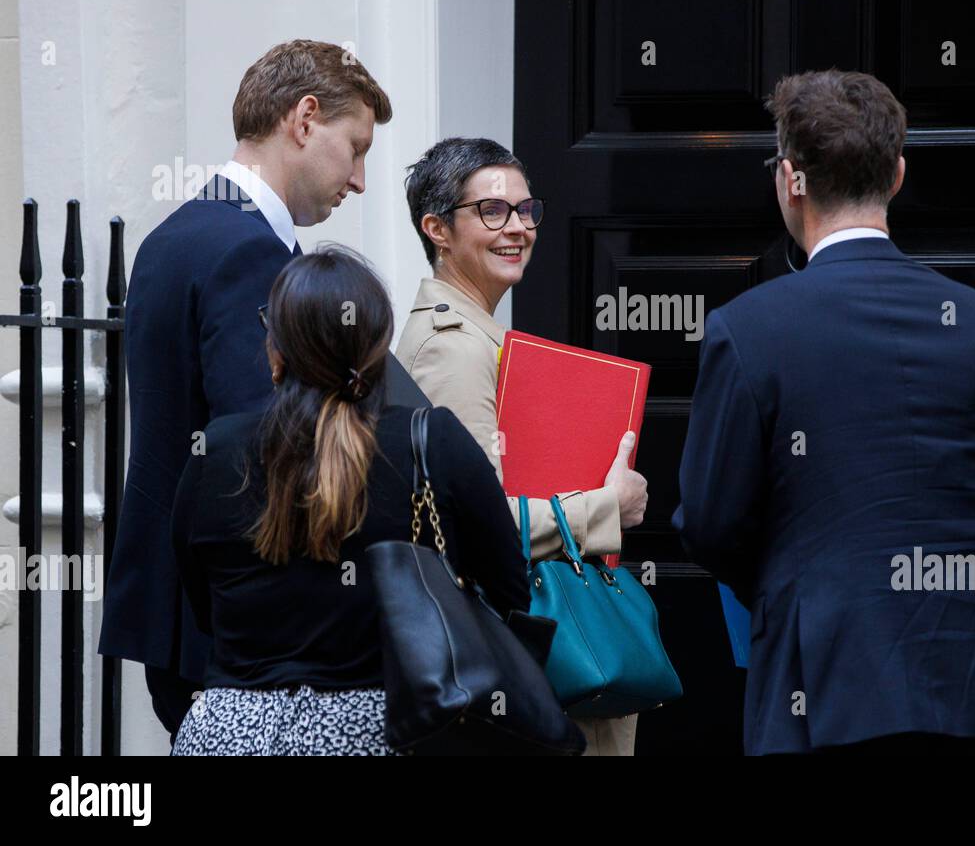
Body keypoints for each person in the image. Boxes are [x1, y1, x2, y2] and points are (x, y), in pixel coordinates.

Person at [672, 69, 975, 755]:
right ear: (898, 172)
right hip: (974, 675)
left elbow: (710, 521)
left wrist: (799, 576)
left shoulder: (748, 327)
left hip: (823, 681)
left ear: (790, 179)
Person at [98, 39, 393, 740]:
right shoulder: (249, 249)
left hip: (176, 607)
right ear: (304, 118)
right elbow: (270, 447)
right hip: (238, 628)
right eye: (354, 149)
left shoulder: (174, 235)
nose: (357, 181)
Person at [171, 247, 529, 755]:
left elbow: (201, 606)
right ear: (377, 344)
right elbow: (511, 589)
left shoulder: (215, 450)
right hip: (384, 732)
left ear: (276, 351)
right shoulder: (432, 441)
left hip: (228, 734)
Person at [395, 137, 646, 756]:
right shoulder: (451, 347)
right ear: (438, 230)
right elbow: (476, 525)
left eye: (526, 210)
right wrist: (606, 508)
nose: (517, 228)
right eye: (492, 212)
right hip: (513, 657)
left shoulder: (479, 334)